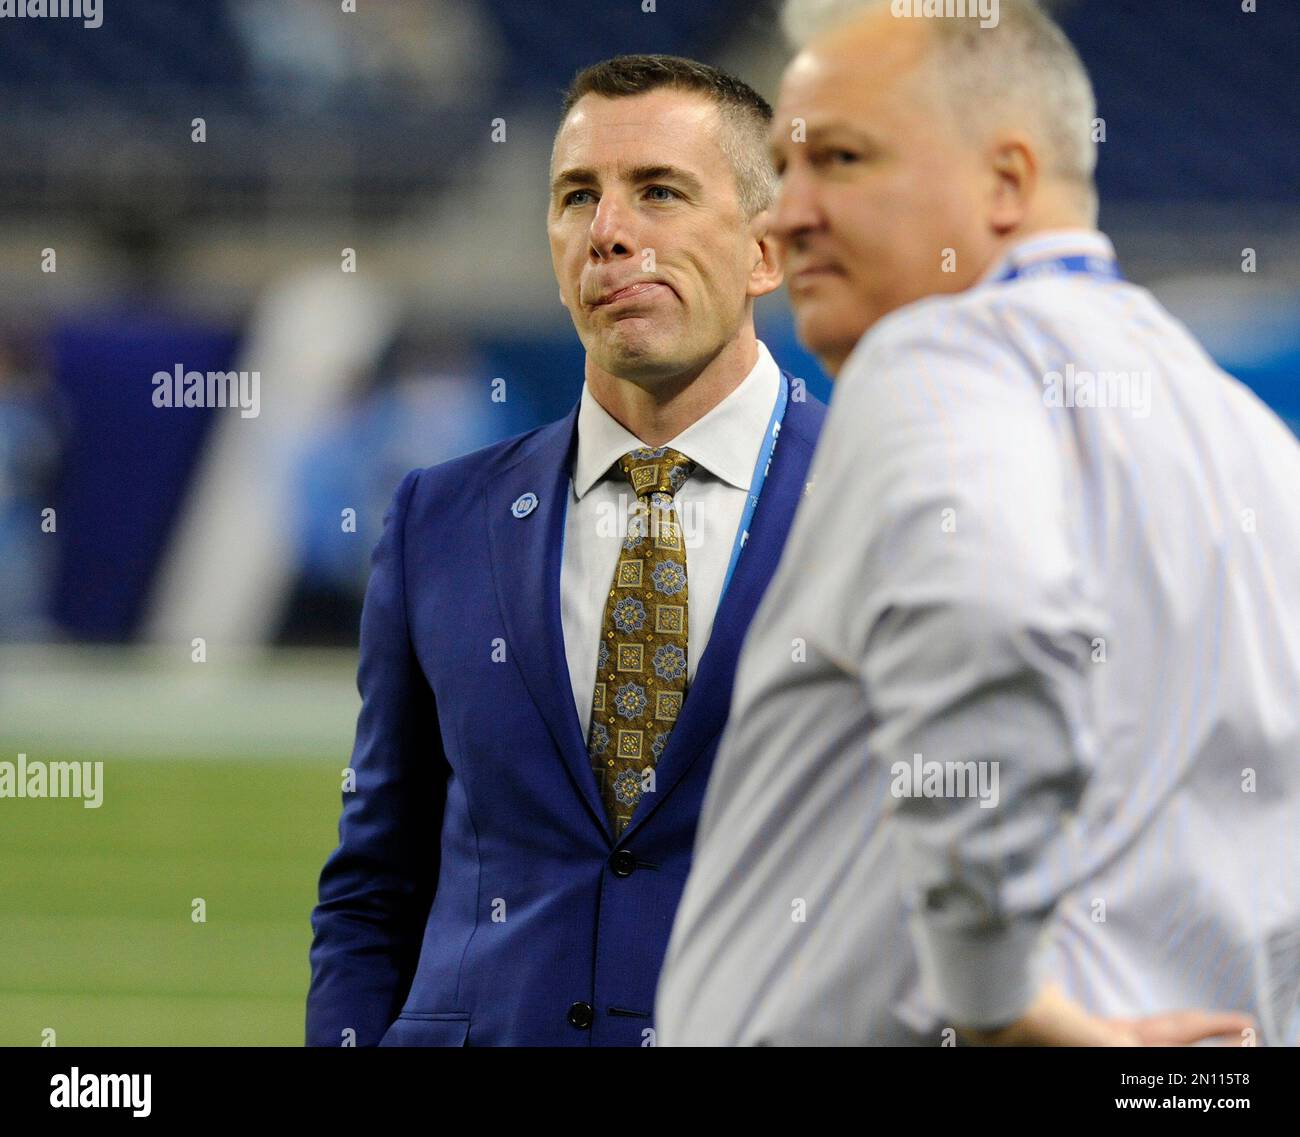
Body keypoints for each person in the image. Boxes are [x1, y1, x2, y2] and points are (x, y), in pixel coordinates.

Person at [656, 0, 1299, 1045]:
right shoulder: (1253, 445)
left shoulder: (939, 351)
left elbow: (985, 614)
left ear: (1006, 181)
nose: (782, 215)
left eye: (843, 160)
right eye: (782, 168)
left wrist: (1004, 1005)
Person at [306, 54, 827, 1046]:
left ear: (767, 248)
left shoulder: (883, 506)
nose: (609, 232)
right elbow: (375, 880)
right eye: (576, 196)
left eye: (660, 192)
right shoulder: (438, 520)